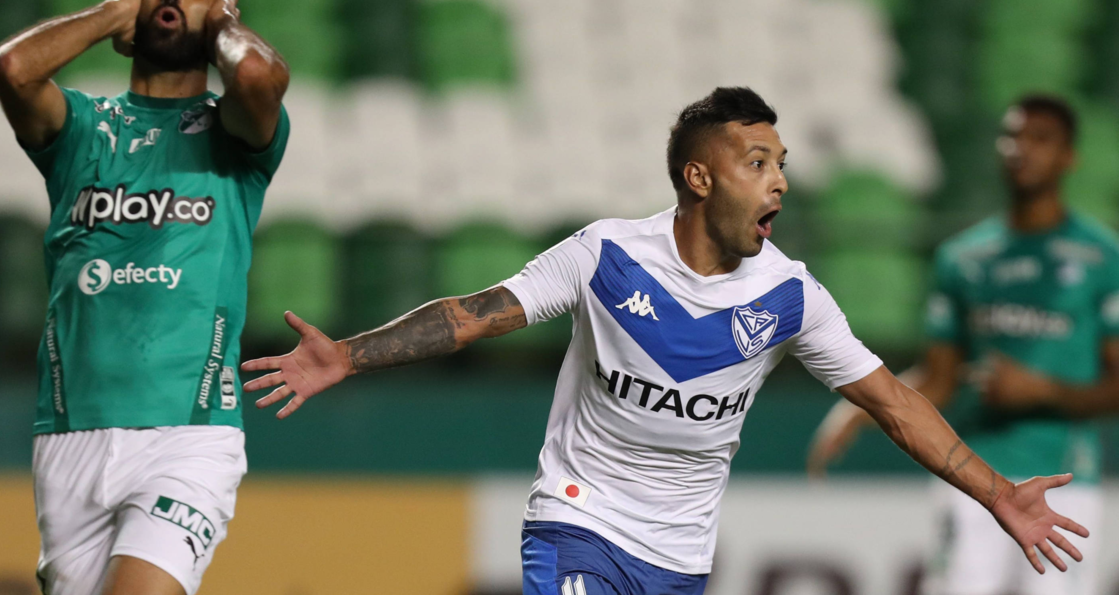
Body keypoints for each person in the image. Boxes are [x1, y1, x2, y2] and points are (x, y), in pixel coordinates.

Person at [244, 87, 1084, 595]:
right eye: (759, 162)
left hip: (680, 558)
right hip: (577, 521)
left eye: (783, 163)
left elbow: (895, 402)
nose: (782, 180)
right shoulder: (605, 255)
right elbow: (472, 313)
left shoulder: (789, 295)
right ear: (700, 176)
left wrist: (996, 491)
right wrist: (348, 353)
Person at [0, 0, 290, 595]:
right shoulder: (81, 128)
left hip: (188, 432)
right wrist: (113, 12)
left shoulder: (233, 134)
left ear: (222, 11)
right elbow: (12, 70)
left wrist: (221, 26)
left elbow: (256, 76)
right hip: (70, 434)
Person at [808, 94, 1118, 595]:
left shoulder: (1102, 258)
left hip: (1066, 484)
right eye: (1012, 136)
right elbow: (939, 378)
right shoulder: (963, 258)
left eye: (1041, 139)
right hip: (976, 480)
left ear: (1069, 157)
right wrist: (857, 411)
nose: (1021, 149)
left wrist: (1042, 391)